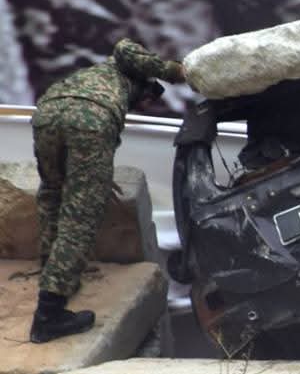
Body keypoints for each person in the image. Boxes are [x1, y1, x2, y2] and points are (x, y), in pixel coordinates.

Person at [28, 39, 185, 342]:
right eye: (145, 100)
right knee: (82, 215)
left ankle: (54, 274)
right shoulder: (125, 67)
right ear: (142, 83)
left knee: (51, 195)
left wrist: (99, 175)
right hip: (89, 119)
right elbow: (125, 47)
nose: (141, 106)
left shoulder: (96, 75)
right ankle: (49, 315)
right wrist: (177, 71)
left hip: (47, 111)